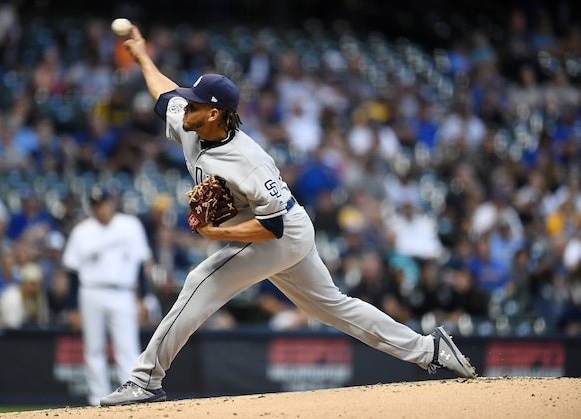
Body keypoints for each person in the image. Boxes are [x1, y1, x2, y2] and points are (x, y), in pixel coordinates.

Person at [100, 26, 477, 407]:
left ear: (214, 114)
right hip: (283, 232)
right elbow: (165, 93)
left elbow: (273, 227)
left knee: (202, 279)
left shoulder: (249, 162)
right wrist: (142, 55)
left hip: (282, 233)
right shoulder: (193, 122)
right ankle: (429, 349)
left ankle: (145, 379)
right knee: (334, 306)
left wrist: (216, 235)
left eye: (195, 104)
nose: (186, 107)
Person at [62, 185, 153, 406]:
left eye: (104, 202)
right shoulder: (81, 231)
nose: (102, 208)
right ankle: (96, 400)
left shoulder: (130, 226)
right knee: (93, 349)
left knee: (128, 349)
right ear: (92, 207)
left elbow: (140, 266)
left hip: (124, 292)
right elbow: (73, 273)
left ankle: (131, 396)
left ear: (112, 202)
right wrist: (73, 307)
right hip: (91, 291)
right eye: (97, 204)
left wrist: (144, 298)